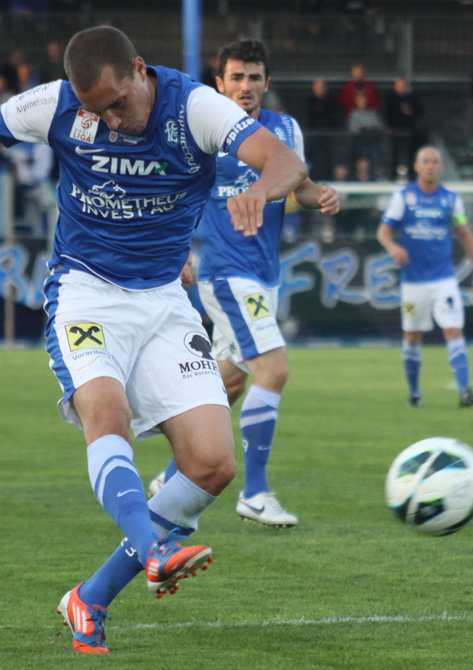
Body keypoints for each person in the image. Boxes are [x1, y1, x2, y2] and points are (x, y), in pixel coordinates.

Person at [0, 25, 307, 655]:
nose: (110, 121)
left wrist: (259, 190)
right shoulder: (57, 105)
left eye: (117, 103)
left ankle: (90, 597)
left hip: (163, 300)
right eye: (97, 110)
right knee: (106, 414)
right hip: (85, 293)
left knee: (211, 464)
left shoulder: (196, 107)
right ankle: (152, 546)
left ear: (139, 69)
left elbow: (285, 161)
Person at [149, 39, 340, 528]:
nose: (245, 86)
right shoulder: (203, 130)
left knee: (229, 384)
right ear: (220, 83)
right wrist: (176, 252)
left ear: (267, 83)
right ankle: (254, 493)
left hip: (265, 275)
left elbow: (300, 188)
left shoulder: (284, 129)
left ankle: (170, 479)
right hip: (226, 273)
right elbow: (171, 194)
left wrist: (322, 196)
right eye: (236, 77)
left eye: (254, 77)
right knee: (273, 371)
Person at [376, 146, 473, 409]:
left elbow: (465, 234)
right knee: (412, 336)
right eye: (425, 161)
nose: (431, 166)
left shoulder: (451, 200)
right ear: (416, 166)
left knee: (453, 329)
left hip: (444, 278)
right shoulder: (404, 198)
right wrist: (393, 248)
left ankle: (464, 391)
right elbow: (383, 231)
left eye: (435, 161)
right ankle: (414, 393)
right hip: (413, 282)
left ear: (441, 167)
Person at [384, 76, 425, 179]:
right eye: (399, 85)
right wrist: (389, 127)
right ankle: (392, 176)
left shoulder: (412, 98)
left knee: (411, 154)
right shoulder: (391, 99)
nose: (401, 87)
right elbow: (387, 114)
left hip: (410, 131)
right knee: (395, 154)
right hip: (396, 130)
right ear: (395, 86)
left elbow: (419, 113)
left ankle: (411, 176)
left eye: (402, 85)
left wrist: (410, 112)